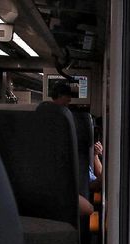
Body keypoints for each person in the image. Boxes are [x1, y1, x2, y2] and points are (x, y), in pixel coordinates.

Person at [49, 82, 93, 216]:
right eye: (67, 96)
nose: (69, 100)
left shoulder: (43, 117)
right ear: (60, 95)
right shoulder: (77, 120)